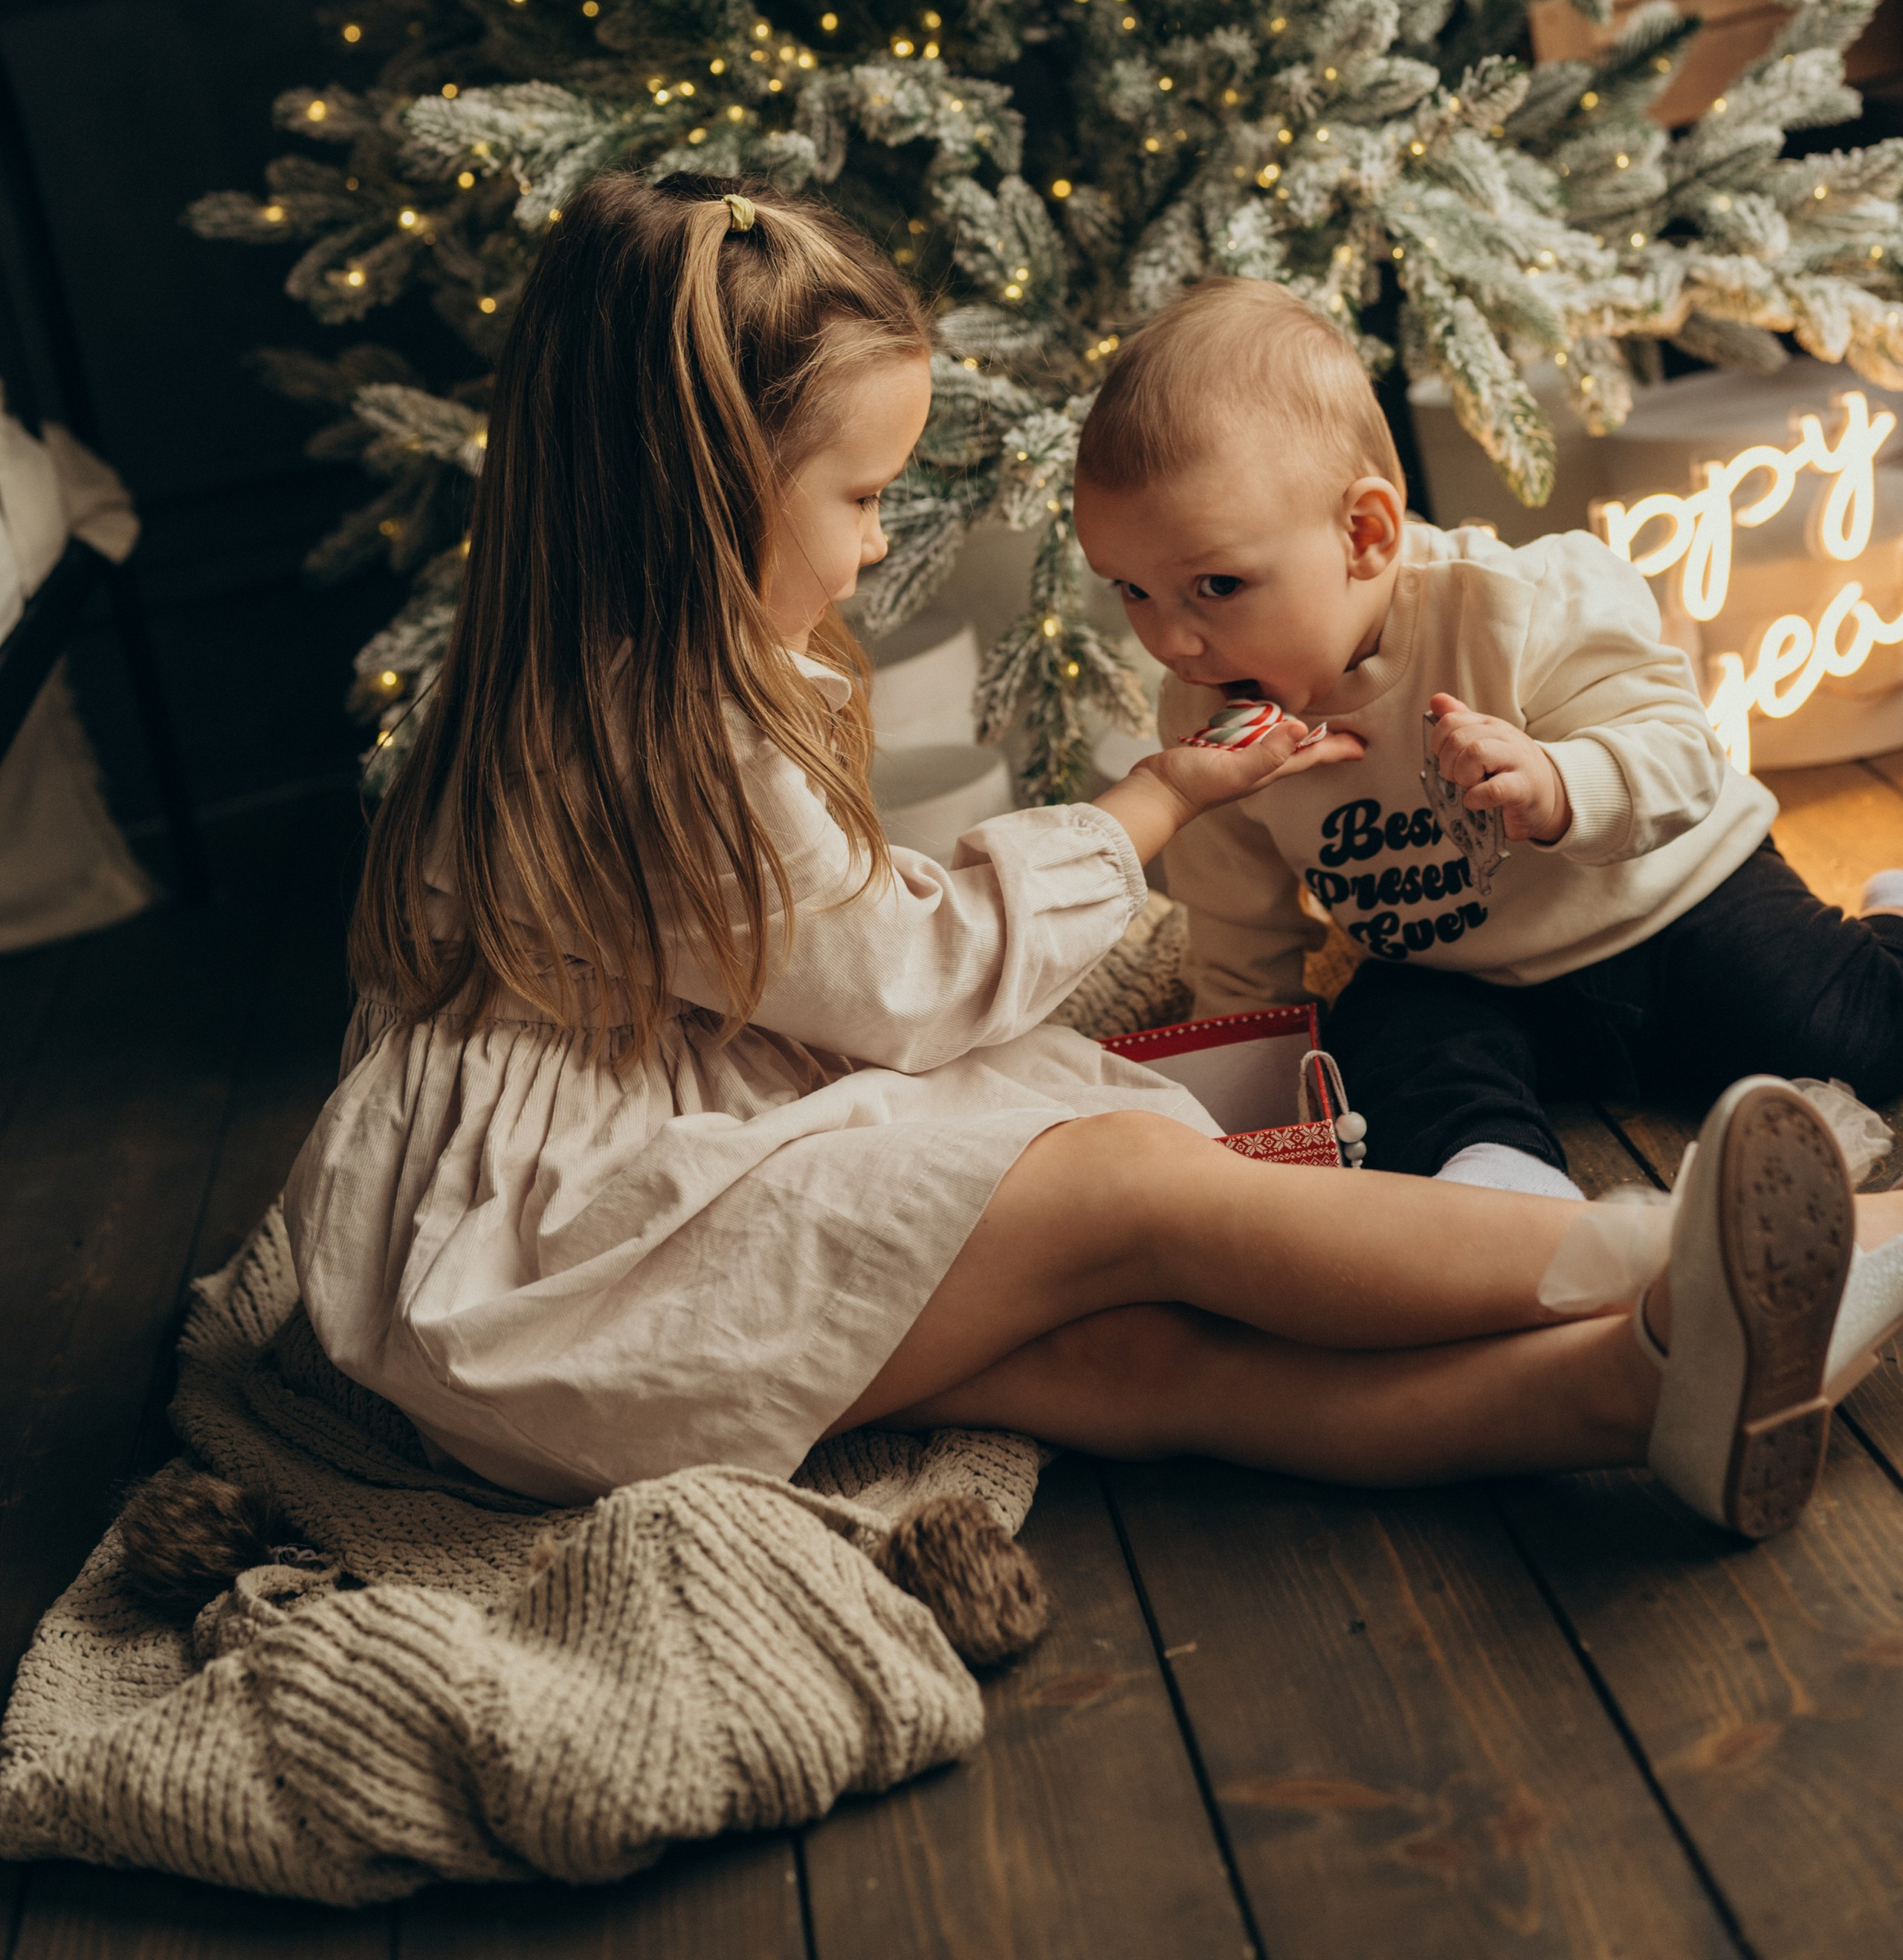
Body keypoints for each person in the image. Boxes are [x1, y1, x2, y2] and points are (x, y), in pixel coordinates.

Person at [282, 177, 1903, 1547]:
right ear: (695, 489)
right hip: (583, 1262)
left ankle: (1636, 1393)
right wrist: (1147, 809)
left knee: (1135, 1360)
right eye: (858, 496)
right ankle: (1679, 1267)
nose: (868, 546)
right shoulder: (661, 734)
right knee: (1132, 1187)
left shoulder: (572, 678)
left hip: (536, 1264)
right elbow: (905, 977)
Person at [1071, 274, 1903, 1210]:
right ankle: (1499, 1180)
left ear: (1365, 533)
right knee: (1380, 1051)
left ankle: (1890, 928)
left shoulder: (1522, 603)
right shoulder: (1200, 716)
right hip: (1459, 977)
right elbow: (1236, 917)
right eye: (1130, 590)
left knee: (1858, 1039)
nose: (1170, 639)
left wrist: (1558, 781)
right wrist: (1239, 1069)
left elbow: (1682, 753)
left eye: (1215, 586)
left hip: (1674, 905)